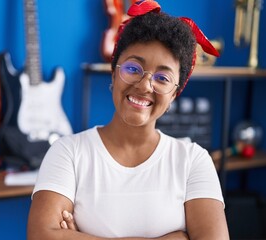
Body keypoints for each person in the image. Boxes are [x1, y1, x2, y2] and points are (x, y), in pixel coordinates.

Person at [27, 0, 229, 239]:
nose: (144, 85)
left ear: (174, 94)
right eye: (133, 69)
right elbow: (41, 235)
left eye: (162, 78)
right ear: (114, 73)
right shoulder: (68, 153)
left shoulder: (193, 161)